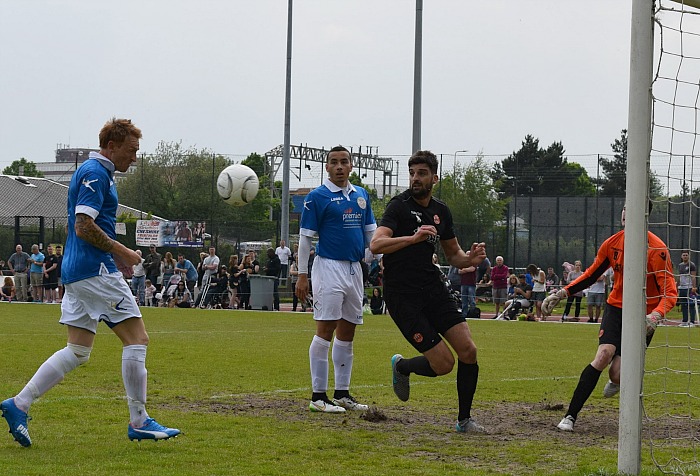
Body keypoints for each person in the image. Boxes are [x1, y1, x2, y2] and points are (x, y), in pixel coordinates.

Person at [0, 118, 179, 447]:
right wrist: (122, 251)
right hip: (93, 269)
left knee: (78, 350)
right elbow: (83, 226)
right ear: (112, 146)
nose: (135, 158)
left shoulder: (102, 174)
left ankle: (18, 404)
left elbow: (79, 228)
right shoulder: (96, 172)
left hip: (80, 269)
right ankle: (139, 420)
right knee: (137, 339)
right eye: (131, 150)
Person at [369, 150, 487, 433]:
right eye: (411, 173)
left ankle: (464, 421)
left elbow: (454, 255)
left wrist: (470, 259)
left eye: (421, 173)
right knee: (444, 364)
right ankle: (403, 367)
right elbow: (376, 245)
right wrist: (413, 238)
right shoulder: (398, 207)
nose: (415, 179)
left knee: (468, 350)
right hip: (402, 296)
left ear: (434, 177)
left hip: (432, 288)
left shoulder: (441, 211)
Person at [543, 203, 677, 432]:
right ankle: (570, 416)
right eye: (624, 207)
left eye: (630, 207)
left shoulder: (657, 250)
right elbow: (591, 274)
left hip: (645, 316)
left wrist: (655, 316)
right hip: (616, 308)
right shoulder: (612, 243)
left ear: (644, 215)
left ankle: (616, 380)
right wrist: (563, 292)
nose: (625, 211)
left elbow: (670, 293)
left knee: (617, 373)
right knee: (604, 354)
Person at [295, 145, 377, 414]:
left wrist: (377, 259)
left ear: (351, 166)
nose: (339, 166)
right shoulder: (317, 197)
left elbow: (371, 236)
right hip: (328, 267)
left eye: (344, 162)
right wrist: (302, 274)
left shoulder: (361, 195)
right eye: (334, 162)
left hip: (355, 269)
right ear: (327, 167)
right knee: (326, 328)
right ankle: (318, 396)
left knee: (348, 330)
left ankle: (342, 394)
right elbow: (306, 238)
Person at [677, 251, 697, 327]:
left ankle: (692, 321)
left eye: (686, 255)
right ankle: (684, 320)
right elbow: (679, 276)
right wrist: (677, 286)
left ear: (688, 256)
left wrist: (694, 287)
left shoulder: (691, 265)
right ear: (681, 256)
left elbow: (693, 276)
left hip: (689, 287)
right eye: (684, 255)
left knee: (691, 304)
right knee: (683, 304)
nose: (685, 256)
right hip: (682, 288)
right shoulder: (680, 265)